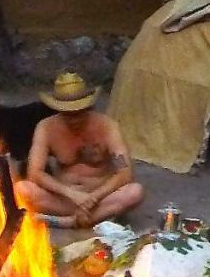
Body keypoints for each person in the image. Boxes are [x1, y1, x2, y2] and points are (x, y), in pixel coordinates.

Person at [16, 70, 145, 228]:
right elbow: (35, 173)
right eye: (68, 114)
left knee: (135, 192)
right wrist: (72, 194)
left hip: (100, 199)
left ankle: (71, 221)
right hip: (64, 199)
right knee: (22, 189)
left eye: (79, 113)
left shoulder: (108, 127)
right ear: (58, 109)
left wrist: (93, 198)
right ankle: (91, 219)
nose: (74, 120)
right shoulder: (46, 127)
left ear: (88, 106)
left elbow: (124, 172)